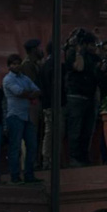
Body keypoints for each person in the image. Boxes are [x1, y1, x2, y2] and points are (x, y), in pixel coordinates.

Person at [3, 54, 42, 184]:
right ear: (9, 66)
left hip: (26, 116)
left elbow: (37, 90)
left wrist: (28, 95)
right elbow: (19, 92)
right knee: (15, 148)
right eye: (13, 64)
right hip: (14, 116)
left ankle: (29, 175)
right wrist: (30, 95)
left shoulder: (24, 78)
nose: (16, 66)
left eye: (18, 63)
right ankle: (15, 176)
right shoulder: (8, 79)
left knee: (32, 146)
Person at [64, 28, 101, 167]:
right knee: (76, 129)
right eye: (91, 45)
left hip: (89, 97)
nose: (94, 48)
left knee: (87, 130)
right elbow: (79, 67)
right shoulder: (73, 53)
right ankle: (74, 157)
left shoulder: (94, 57)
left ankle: (84, 157)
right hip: (76, 96)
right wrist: (78, 50)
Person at [39, 41, 66, 170]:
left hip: (49, 103)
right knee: (53, 132)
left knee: (51, 132)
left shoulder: (46, 65)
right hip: (53, 104)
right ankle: (49, 159)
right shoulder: (52, 65)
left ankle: (49, 158)